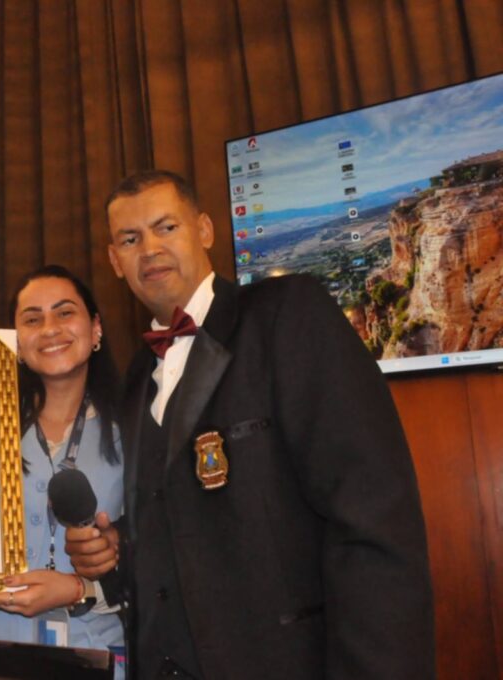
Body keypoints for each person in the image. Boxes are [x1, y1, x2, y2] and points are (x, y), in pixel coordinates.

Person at [65, 170, 435, 679]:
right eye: (130, 239)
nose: (149, 249)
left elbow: (373, 519)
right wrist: (119, 546)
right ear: (114, 260)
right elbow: (179, 519)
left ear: (204, 230)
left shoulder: (288, 315)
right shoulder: (134, 379)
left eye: (166, 227)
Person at [0, 265, 125, 655]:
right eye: (32, 319)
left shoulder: (137, 426)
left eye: (65, 312)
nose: (50, 329)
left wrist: (80, 588)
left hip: (89, 650)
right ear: (16, 342)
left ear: (95, 328)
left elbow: (160, 558)